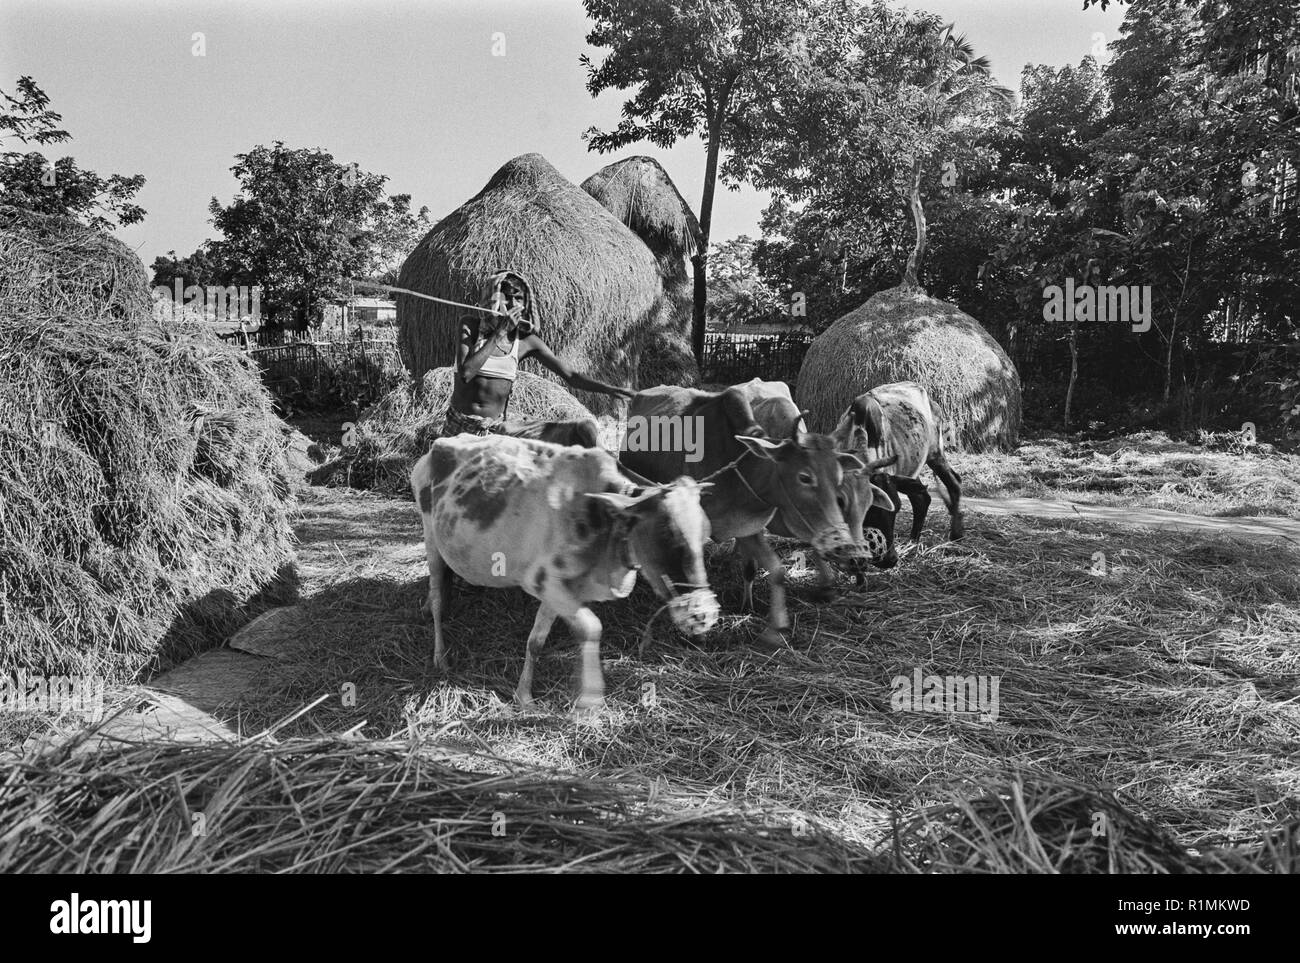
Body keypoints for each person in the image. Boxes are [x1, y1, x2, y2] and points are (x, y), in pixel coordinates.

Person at [441, 270, 634, 439]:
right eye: (506, 297)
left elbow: (571, 377)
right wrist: (499, 333)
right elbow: (466, 373)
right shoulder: (470, 326)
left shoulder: (526, 342)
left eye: (518, 299)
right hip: (458, 427)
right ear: (492, 298)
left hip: (494, 431)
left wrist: (609, 389)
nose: (512, 304)